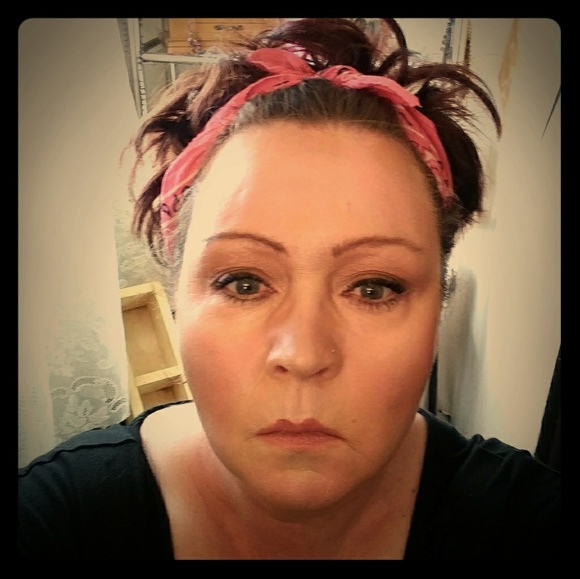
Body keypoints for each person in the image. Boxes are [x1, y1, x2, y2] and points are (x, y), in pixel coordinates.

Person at [19, 18, 560, 560]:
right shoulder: (61, 521)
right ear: (176, 296)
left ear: (439, 305)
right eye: (244, 283)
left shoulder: (520, 522)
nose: (303, 355)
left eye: (374, 288)